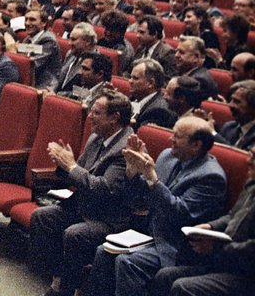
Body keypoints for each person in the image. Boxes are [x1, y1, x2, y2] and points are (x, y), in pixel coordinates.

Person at [83, 116, 227, 296]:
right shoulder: (168, 156)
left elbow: (179, 214)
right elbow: (139, 200)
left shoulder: (210, 177)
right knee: (103, 252)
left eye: (177, 136)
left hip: (176, 244)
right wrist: (132, 174)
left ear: (196, 145)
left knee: (127, 262)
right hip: (149, 231)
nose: (170, 139)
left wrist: (151, 177)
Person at [30, 92, 134, 296]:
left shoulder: (125, 149)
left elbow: (103, 188)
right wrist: (62, 165)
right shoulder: (96, 138)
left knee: (75, 234)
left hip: (109, 218)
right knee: (42, 217)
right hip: (84, 206)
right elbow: (78, 173)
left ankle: (67, 290)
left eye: (96, 113)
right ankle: (58, 277)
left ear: (115, 117)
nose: (90, 116)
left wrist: (71, 166)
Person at [148, 148, 255, 296]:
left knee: (183, 287)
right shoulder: (252, 185)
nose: (248, 161)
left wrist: (215, 247)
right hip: (229, 260)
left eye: (254, 158)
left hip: (246, 273)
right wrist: (210, 226)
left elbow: (251, 251)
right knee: (165, 276)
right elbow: (232, 215)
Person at [130, 60, 176, 129]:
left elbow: (139, 134)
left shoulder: (158, 111)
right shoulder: (135, 97)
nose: (130, 81)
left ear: (150, 83)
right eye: (131, 77)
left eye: (135, 78)